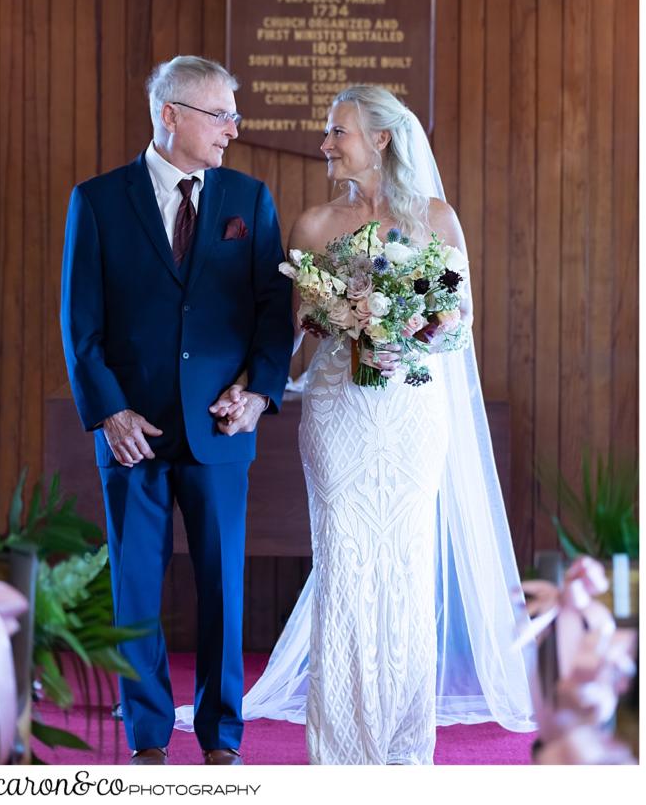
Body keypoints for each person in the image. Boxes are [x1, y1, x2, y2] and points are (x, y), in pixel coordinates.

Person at [181, 84, 535, 764]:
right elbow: (287, 333)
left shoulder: (437, 218)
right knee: (345, 560)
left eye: (336, 131)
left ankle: (403, 746)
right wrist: (251, 389)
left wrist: (409, 331)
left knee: (405, 565)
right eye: (324, 132)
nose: (324, 144)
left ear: (380, 140)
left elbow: (457, 325)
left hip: (411, 413)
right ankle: (340, 747)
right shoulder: (313, 225)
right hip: (339, 408)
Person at [60, 56, 293, 765]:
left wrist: (259, 392)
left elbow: (272, 311)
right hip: (132, 433)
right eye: (220, 114)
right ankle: (148, 739)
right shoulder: (97, 201)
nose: (233, 128)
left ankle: (223, 741)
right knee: (135, 586)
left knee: (223, 585)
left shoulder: (248, 199)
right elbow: (81, 324)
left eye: (233, 114)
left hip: (220, 430)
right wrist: (109, 415)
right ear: (171, 115)